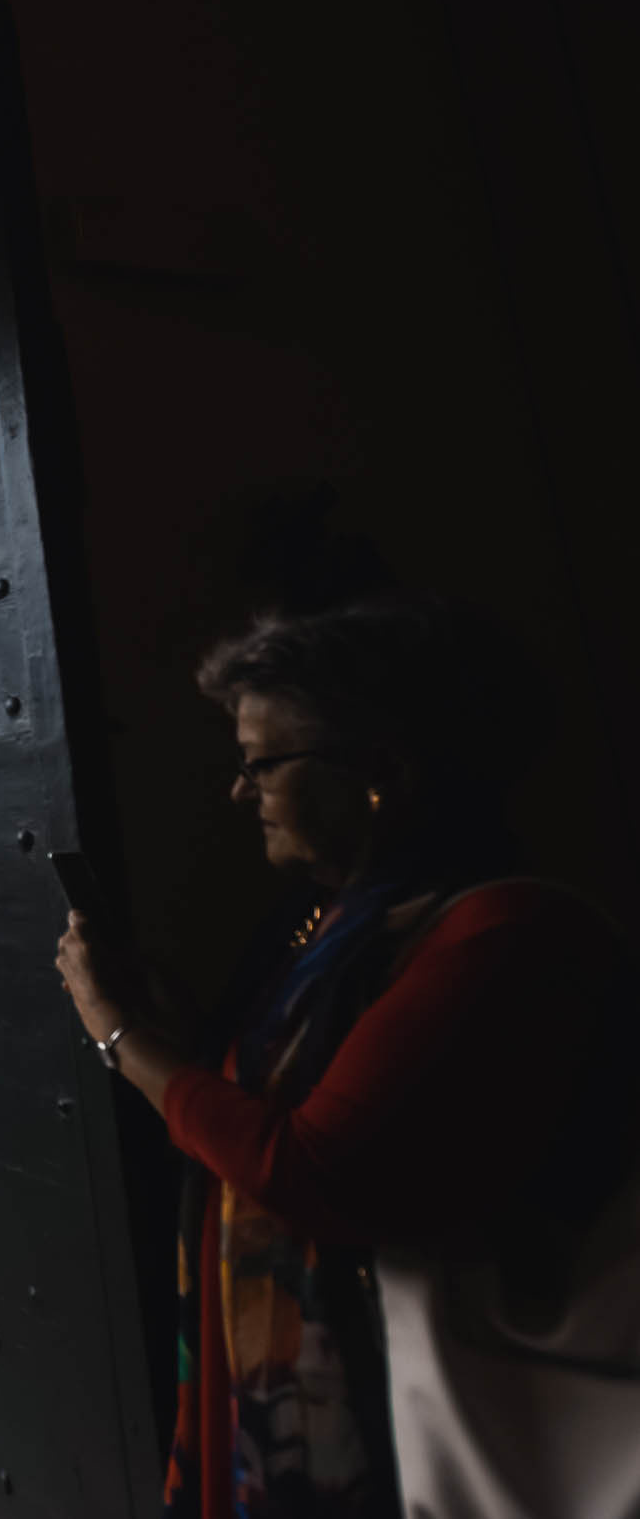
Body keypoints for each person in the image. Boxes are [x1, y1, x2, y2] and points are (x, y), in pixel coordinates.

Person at [52, 597, 638, 1519]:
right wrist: (193, 1042)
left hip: (429, 1434)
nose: (239, 793)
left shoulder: (506, 935)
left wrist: (124, 1039)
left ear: (382, 771)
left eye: (264, 764)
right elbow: (273, 1116)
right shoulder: (317, 930)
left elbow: (314, 1165)